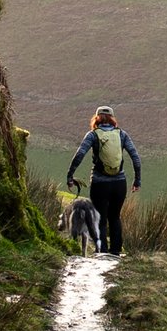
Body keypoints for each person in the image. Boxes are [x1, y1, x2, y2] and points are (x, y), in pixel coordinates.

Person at [64, 106, 142, 254]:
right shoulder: (122, 135)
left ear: (96, 118)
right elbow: (136, 158)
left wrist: (70, 176)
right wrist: (137, 180)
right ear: (113, 119)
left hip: (99, 183)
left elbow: (79, 154)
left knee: (100, 218)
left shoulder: (93, 135)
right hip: (119, 183)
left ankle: (102, 251)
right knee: (115, 217)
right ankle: (116, 252)